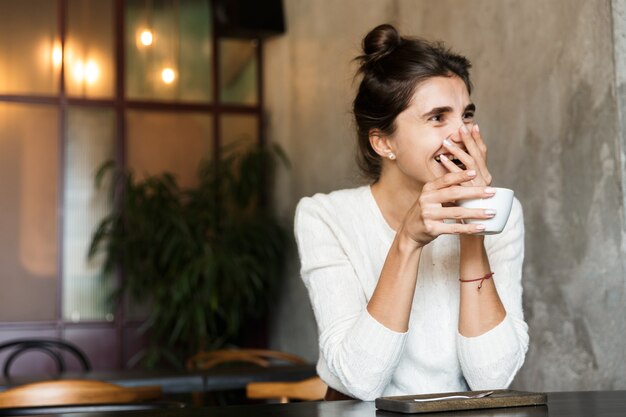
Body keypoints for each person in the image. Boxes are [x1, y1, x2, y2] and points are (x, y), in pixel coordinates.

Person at [294, 24, 529, 401]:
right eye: (438, 117)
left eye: (466, 115)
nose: (462, 134)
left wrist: (472, 226)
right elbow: (359, 381)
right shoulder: (324, 217)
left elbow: (493, 378)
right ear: (384, 142)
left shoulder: (503, 212)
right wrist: (408, 240)